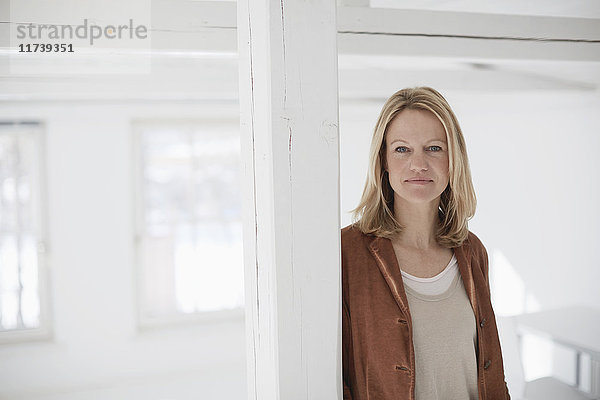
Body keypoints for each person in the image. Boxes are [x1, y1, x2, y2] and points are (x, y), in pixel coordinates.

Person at [342, 87, 510, 400]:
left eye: (434, 148)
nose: (418, 164)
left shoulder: (472, 250)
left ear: (453, 159)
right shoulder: (346, 253)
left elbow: (491, 373)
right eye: (402, 149)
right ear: (384, 161)